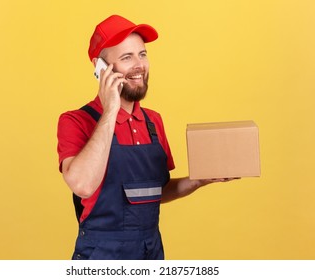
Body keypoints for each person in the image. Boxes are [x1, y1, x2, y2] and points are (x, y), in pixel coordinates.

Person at [57, 15, 235, 260]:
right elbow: (83, 185)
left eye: (142, 54)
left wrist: (200, 180)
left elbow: (156, 191)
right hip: (101, 255)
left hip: (150, 251)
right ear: (100, 68)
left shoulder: (153, 121)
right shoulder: (76, 121)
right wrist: (110, 110)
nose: (139, 65)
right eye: (126, 57)